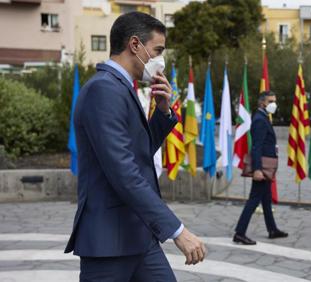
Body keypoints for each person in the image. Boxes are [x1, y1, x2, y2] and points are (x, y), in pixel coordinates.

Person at [65, 12, 206, 281]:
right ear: (134, 45)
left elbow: (137, 152)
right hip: (109, 242)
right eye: (158, 50)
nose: (161, 59)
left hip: (138, 235)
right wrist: (177, 231)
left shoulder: (120, 87)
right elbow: (124, 171)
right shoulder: (104, 89)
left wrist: (163, 112)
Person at [233, 91, 288, 245]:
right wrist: (257, 169)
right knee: (254, 200)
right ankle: (239, 233)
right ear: (263, 103)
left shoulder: (263, 117)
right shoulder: (259, 120)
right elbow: (256, 146)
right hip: (262, 168)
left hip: (265, 167)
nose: (274, 104)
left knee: (266, 199)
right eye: (271, 101)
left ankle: (272, 229)